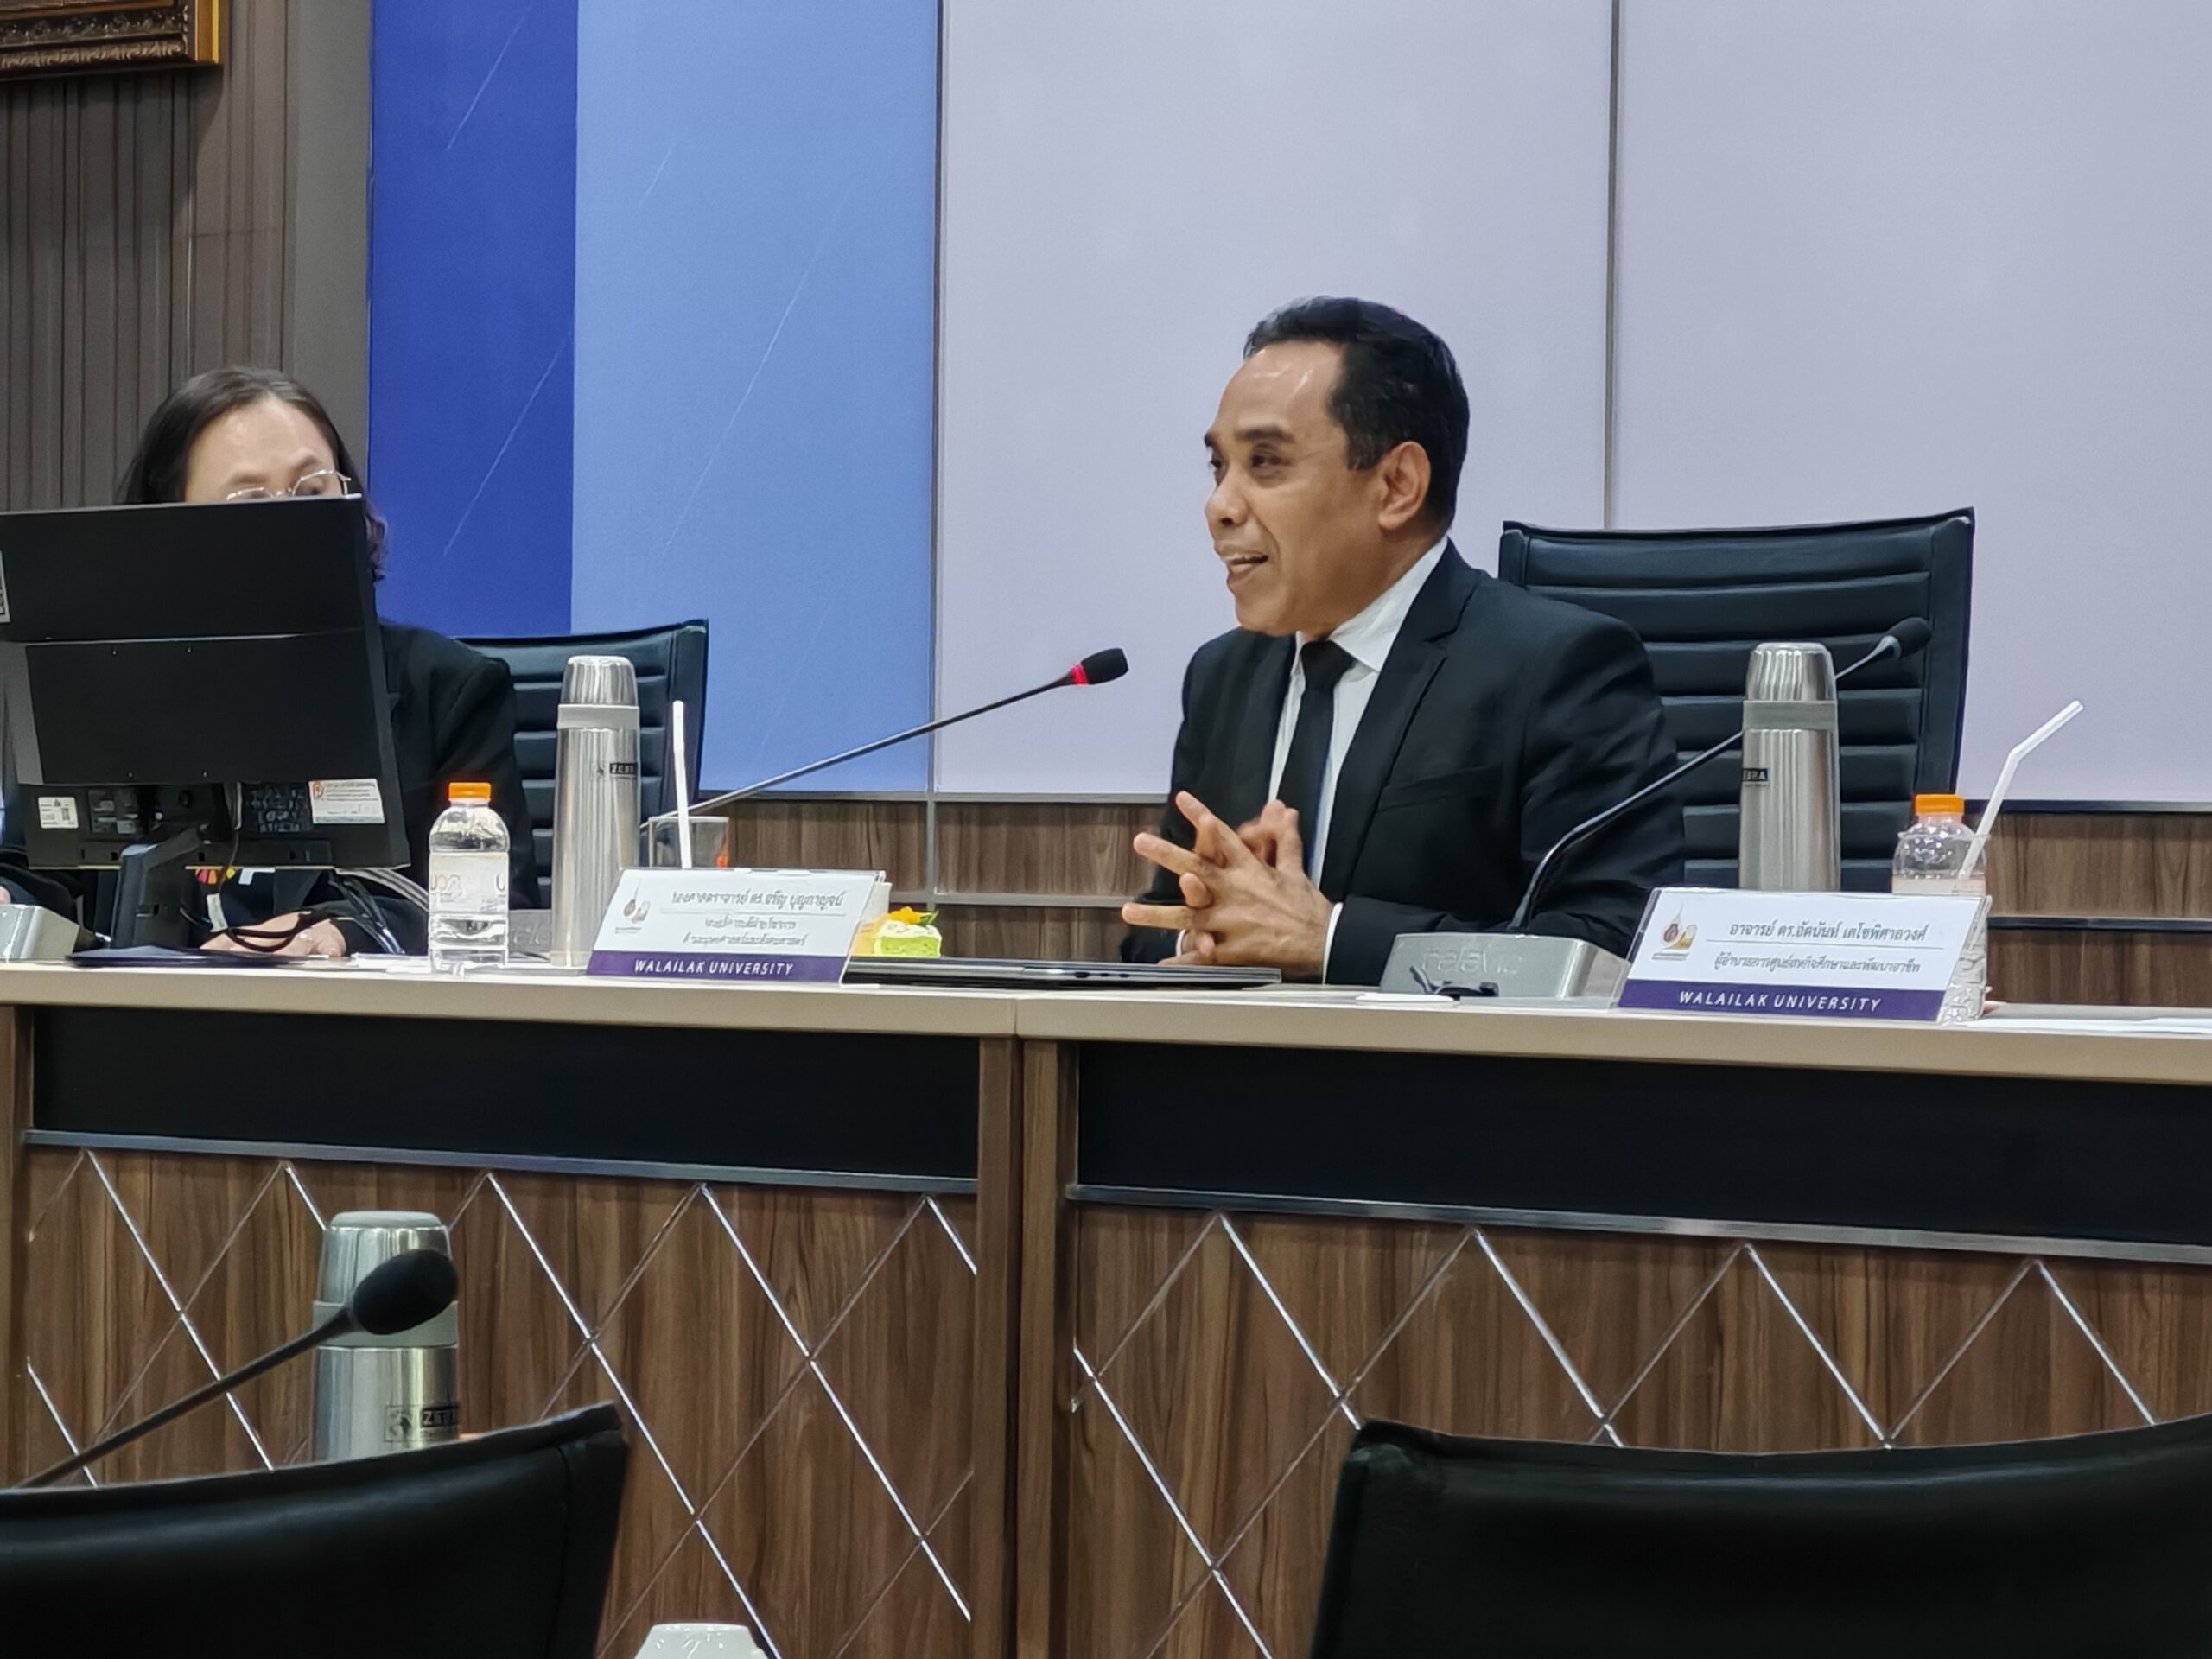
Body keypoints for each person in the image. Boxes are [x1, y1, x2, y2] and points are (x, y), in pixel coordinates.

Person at [1121, 297, 1684, 983]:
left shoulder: (1556, 670)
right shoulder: (1221, 678)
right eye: (1219, 467)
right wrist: (1209, 928)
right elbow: (1149, 934)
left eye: (1265, 463)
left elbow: (1610, 951)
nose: (1220, 505)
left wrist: (1331, 940)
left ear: (1397, 485)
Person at [0, 366, 539, 956]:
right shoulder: (92, 692)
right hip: (140, 1008)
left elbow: (502, 910)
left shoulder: (449, 691)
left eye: (312, 492)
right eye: (250, 501)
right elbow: (35, 875)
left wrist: (344, 933)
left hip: (341, 1010)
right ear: (163, 530)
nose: (293, 523)